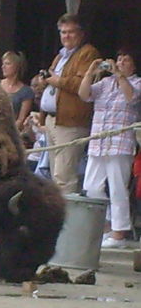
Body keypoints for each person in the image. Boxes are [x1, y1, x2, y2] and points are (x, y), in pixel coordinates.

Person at [79, 49, 141, 249]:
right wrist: (90, 72)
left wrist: (119, 74)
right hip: (98, 142)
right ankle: (105, 225)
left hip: (120, 143)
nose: (121, 61)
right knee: (91, 187)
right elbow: (84, 94)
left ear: (133, 65)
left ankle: (119, 232)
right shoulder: (105, 84)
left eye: (126, 59)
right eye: (119, 58)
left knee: (117, 188)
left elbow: (132, 97)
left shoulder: (137, 82)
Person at [38, 13, 100, 194]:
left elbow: (81, 85)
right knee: (53, 175)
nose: (66, 36)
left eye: (71, 32)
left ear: (81, 34)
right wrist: (45, 80)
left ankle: (67, 220)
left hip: (71, 122)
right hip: (52, 120)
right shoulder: (61, 55)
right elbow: (51, 79)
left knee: (64, 177)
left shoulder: (88, 53)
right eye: (63, 32)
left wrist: (56, 80)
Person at [0, 51, 34, 131]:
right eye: (3, 63)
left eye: (7, 64)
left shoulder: (26, 92)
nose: (3, 66)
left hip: (12, 131)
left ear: (17, 66)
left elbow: (21, 119)